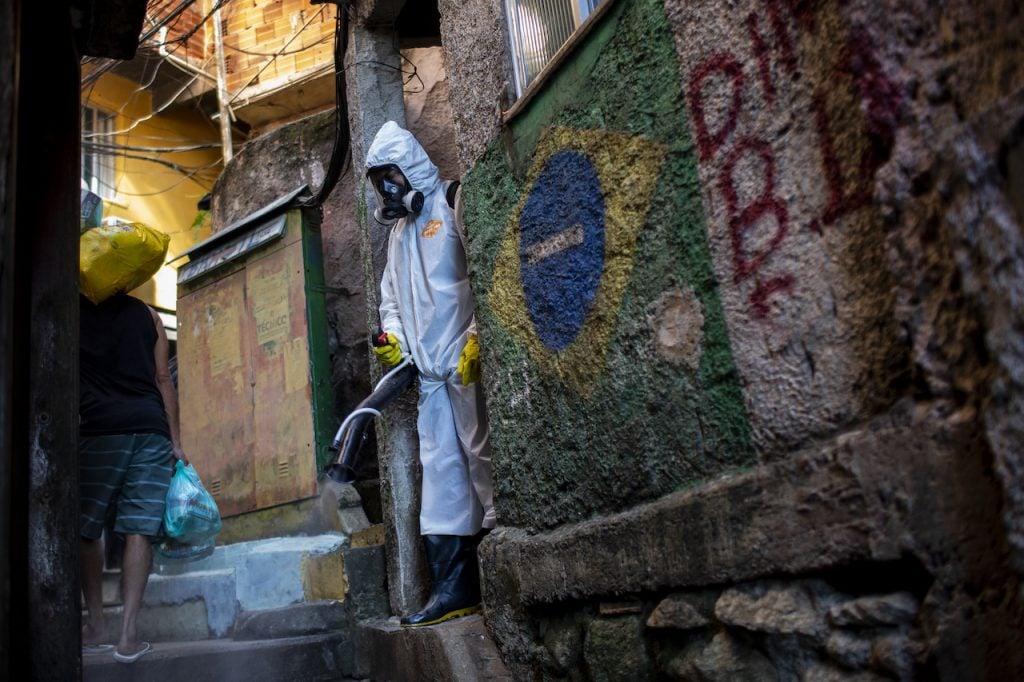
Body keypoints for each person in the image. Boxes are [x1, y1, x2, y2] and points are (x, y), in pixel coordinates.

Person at [366, 121, 496, 627]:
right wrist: (393, 337)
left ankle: (504, 563)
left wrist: (480, 336)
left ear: (411, 165)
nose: (388, 188)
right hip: (432, 380)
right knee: (442, 479)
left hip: (468, 366)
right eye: (379, 181)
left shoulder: (453, 202)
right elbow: (391, 302)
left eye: (391, 175)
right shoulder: (398, 237)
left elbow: (484, 271)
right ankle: (455, 588)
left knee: (485, 461)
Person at [79, 292, 186, 662]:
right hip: (149, 427)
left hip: (97, 429)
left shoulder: (72, 311)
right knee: (140, 527)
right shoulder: (148, 314)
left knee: (86, 527)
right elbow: (162, 378)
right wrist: (175, 440)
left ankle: (95, 625)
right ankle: (128, 635)